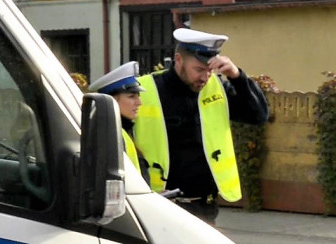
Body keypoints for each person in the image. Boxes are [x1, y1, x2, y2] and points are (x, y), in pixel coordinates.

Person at [133, 28, 269, 224]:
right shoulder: (145, 90)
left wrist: (236, 76)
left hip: (206, 207)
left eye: (210, 70)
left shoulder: (217, 88)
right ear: (178, 60)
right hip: (162, 206)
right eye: (198, 70)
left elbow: (258, 115)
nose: (205, 77)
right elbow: (122, 145)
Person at [87, 61, 148, 181]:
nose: (139, 102)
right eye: (132, 96)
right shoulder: (110, 135)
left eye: (138, 96)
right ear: (112, 101)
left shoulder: (120, 129)